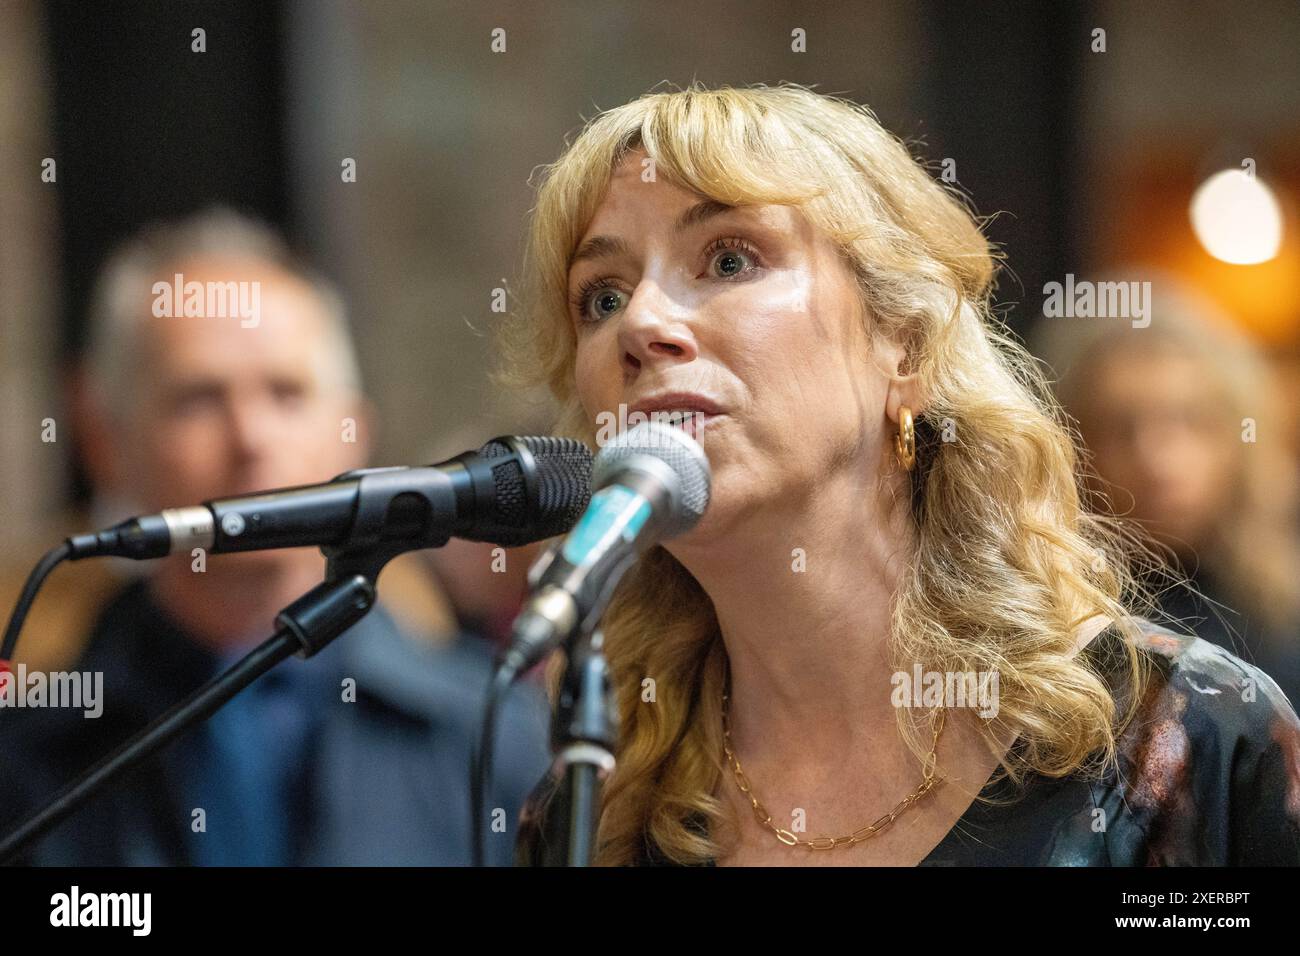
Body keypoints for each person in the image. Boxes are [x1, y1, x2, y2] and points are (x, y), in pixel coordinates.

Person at [498, 83, 1300, 866]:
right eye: (601, 298)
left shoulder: (1185, 741)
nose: (641, 322)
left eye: (729, 258)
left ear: (905, 345)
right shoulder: (592, 816)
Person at [0, 208, 549, 866]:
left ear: (352, 431)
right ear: (103, 438)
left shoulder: (498, 734)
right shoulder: (26, 758)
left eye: (287, 394)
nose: (250, 438)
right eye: (198, 398)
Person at [1035, 276, 1300, 706]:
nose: (1157, 460)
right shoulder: (1043, 626)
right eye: (1120, 429)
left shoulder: (1283, 608)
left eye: (1188, 419)